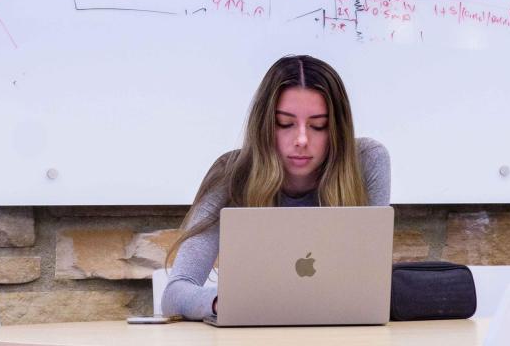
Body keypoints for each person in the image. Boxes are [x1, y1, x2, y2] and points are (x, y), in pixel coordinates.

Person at [161, 55, 390, 320]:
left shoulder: (368, 160)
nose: (302, 139)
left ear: (337, 129)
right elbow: (175, 293)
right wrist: (226, 302)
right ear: (265, 125)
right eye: (285, 123)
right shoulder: (231, 174)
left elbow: (372, 286)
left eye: (319, 126)